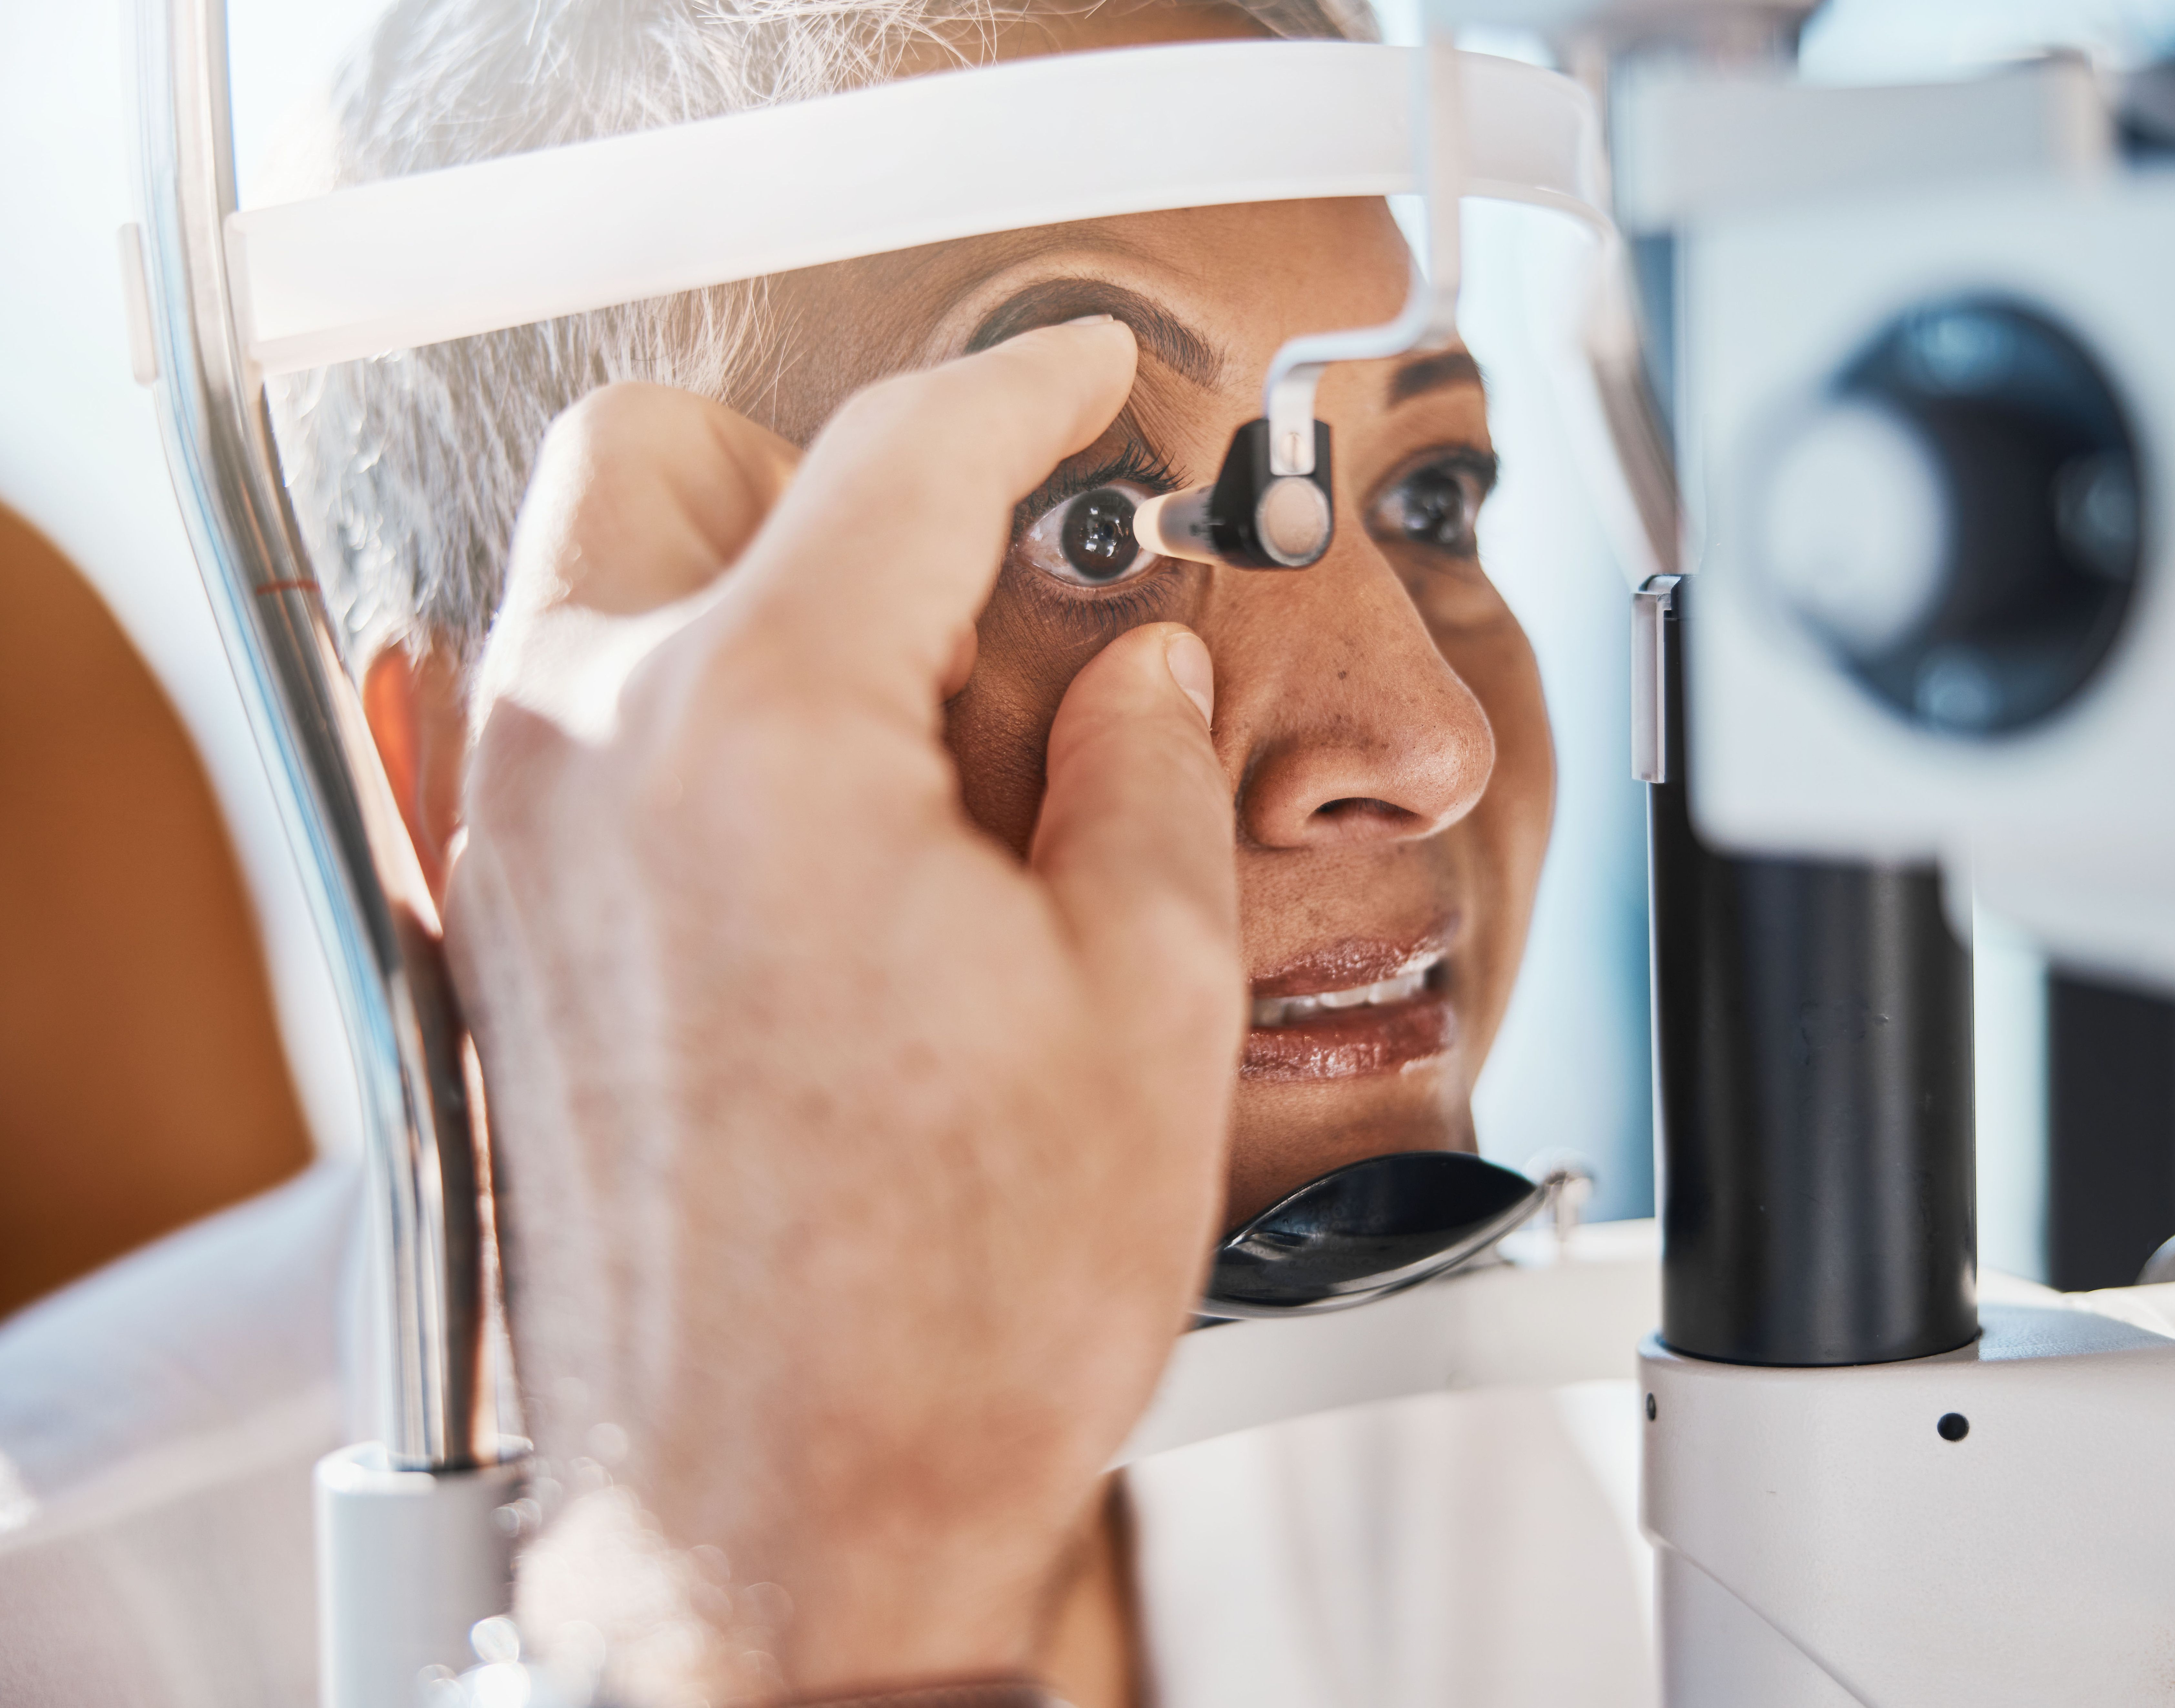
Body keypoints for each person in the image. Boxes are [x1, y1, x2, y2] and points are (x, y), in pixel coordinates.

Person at [0, 2, 1649, 1703]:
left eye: (1429, 497)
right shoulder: (64, 1636)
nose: (1430, 743)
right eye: (1089, 526)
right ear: (489, 779)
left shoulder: (1422, 1459)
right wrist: (801, 1609)